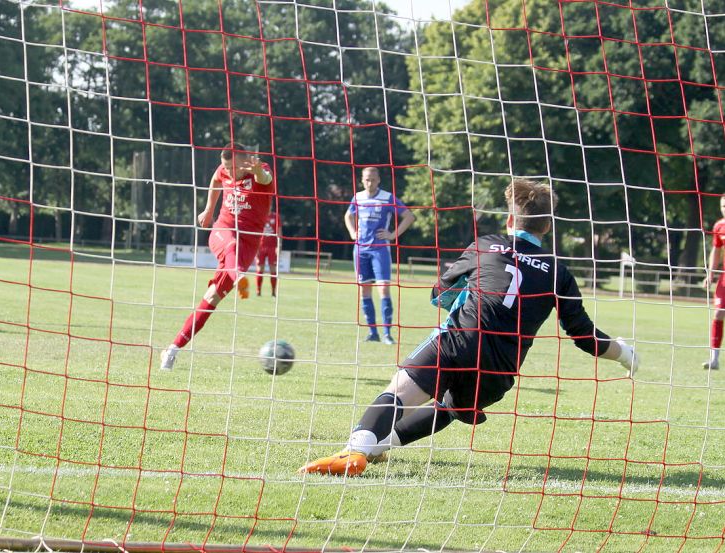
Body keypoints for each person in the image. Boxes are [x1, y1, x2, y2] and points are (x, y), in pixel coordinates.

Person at [299, 178, 641, 476]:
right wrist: (625, 353)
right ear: (547, 227)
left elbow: (439, 294)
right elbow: (584, 337)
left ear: (509, 219)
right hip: (499, 372)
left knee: (399, 392)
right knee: (448, 405)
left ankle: (357, 447)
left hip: (458, 341)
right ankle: (376, 447)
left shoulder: (485, 245)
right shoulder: (558, 272)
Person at [160, 143, 274, 370]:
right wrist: (209, 210)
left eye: (233, 168)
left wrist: (256, 170)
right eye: (226, 167)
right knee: (231, 246)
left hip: (249, 243)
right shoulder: (223, 170)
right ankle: (240, 276)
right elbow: (215, 180)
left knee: (210, 299)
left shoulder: (260, 171)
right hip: (222, 232)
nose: (228, 172)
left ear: (245, 161)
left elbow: (265, 178)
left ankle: (172, 349)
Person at [344, 166, 416, 344]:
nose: (370, 182)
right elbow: (348, 216)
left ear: (378, 180)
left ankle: (387, 334)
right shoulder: (358, 198)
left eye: (373, 179)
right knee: (364, 290)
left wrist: (392, 235)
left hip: (380, 250)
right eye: (367, 179)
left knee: (383, 288)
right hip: (360, 250)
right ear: (362, 180)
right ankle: (372, 333)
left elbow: (409, 216)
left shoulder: (387, 198)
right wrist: (353, 233)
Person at [701, 193, 725, 370]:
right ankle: (714, 359)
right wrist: (710, 274)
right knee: (718, 314)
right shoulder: (719, 226)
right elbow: (716, 251)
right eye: (723, 207)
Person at [255, 209, 280, 297]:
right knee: (259, 269)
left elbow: (279, 231)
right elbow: (256, 231)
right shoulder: (260, 215)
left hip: (272, 247)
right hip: (261, 246)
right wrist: (255, 247)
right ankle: (258, 290)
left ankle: (273, 291)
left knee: (273, 269)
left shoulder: (276, 217)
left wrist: (279, 245)